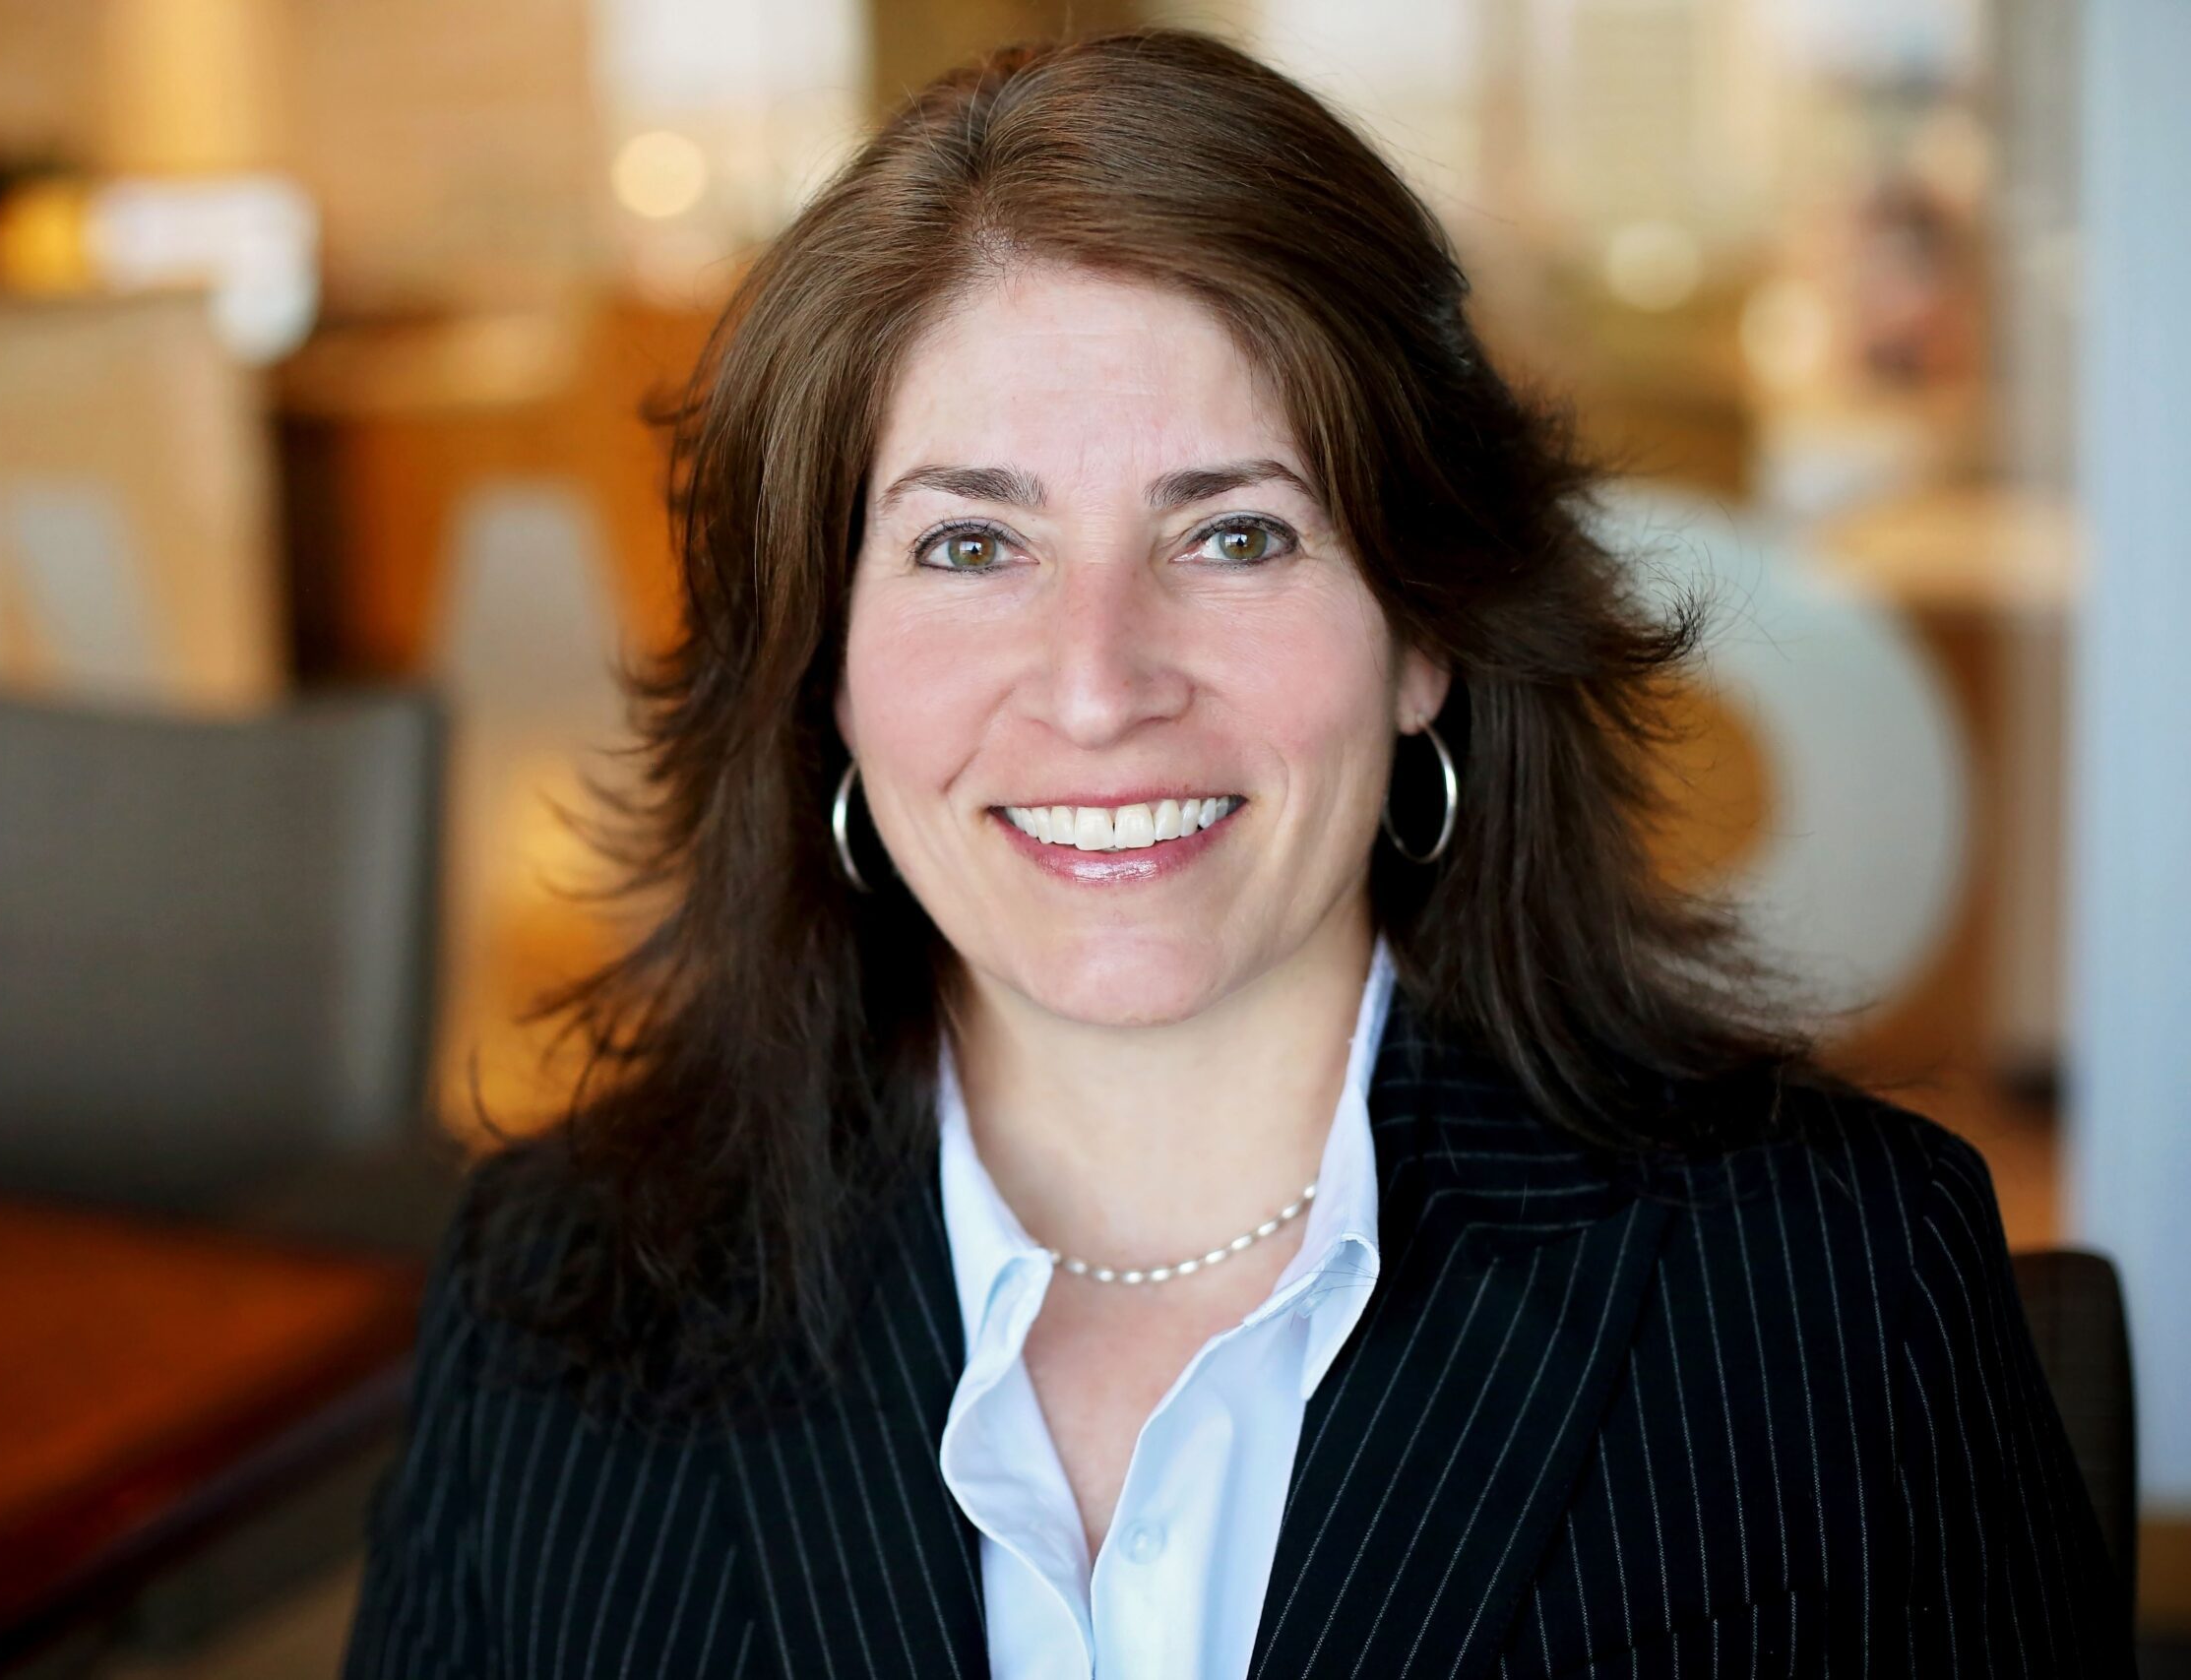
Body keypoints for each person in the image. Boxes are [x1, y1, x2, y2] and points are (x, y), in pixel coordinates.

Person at [344, 29, 2128, 1679]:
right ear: (823, 665)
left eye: (1240, 536)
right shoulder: (552, 1294)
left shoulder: (1826, 1277)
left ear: (1426, 629)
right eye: (972, 548)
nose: (1102, 685)